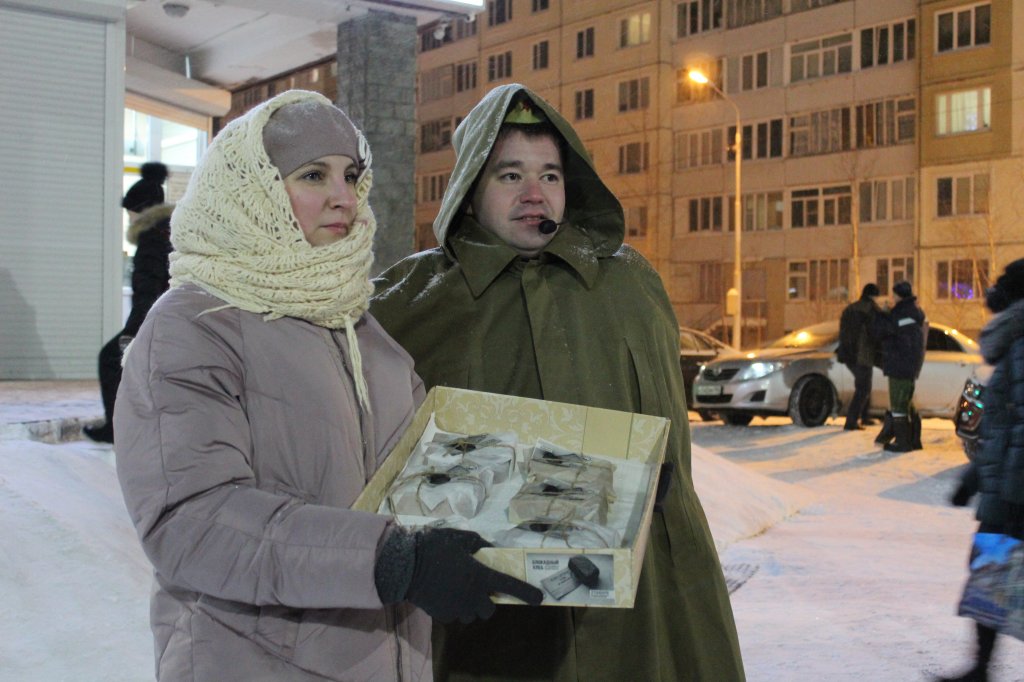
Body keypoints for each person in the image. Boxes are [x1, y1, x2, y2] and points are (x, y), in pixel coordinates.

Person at [113, 89, 540, 682]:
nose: (344, 197)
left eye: (351, 176)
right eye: (314, 175)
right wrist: (390, 561)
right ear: (252, 190)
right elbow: (191, 522)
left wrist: (598, 482)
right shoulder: (193, 326)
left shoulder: (360, 329)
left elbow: (431, 474)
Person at [371, 84, 745, 681]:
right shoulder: (413, 299)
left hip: (632, 593)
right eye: (510, 175)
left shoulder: (628, 284)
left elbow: (668, 426)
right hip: (487, 604)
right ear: (470, 188)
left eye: (550, 174)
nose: (534, 193)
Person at [939, 259, 1024, 682]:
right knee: (989, 572)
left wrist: (1012, 497)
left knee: (993, 571)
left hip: (1014, 494)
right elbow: (1001, 426)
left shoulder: (1021, 344)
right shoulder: (1015, 344)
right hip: (1004, 489)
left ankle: (981, 669)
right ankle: (980, 669)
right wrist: (973, 479)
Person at [84, 162, 172, 443]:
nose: (128, 217)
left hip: (159, 323)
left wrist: (131, 334)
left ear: (141, 210)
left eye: (130, 211)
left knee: (112, 359)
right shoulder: (170, 234)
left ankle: (117, 428)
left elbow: (149, 291)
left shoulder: (151, 240)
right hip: (175, 321)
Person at [872, 280, 928, 452]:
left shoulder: (900, 313)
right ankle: (914, 440)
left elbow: (880, 332)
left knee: (898, 405)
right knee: (906, 402)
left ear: (899, 295)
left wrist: (882, 313)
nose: (892, 297)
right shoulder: (913, 312)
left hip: (899, 364)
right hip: (909, 364)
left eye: (894, 294)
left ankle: (903, 443)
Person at [837, 282, 882, 431]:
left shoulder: (850, 308)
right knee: (863, 387)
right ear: (873, 296)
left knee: (863, 385)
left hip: (848, 354)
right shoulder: (871, 309)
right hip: (863, 354)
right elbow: (875, 333)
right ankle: (852, 421)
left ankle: (864, 416)